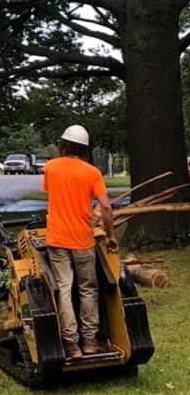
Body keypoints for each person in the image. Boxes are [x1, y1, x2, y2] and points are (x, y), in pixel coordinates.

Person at [43, 124, 118, 360]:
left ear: (63, 145)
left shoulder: (50, 167)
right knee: (88, 289)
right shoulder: (92, 173)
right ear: (85, 148)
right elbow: (106, 207)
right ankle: (90, 342)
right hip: (83, 240)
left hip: (57, 239)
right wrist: (110, 236)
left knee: (64, 288)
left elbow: (52, 194)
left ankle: (71, 345)